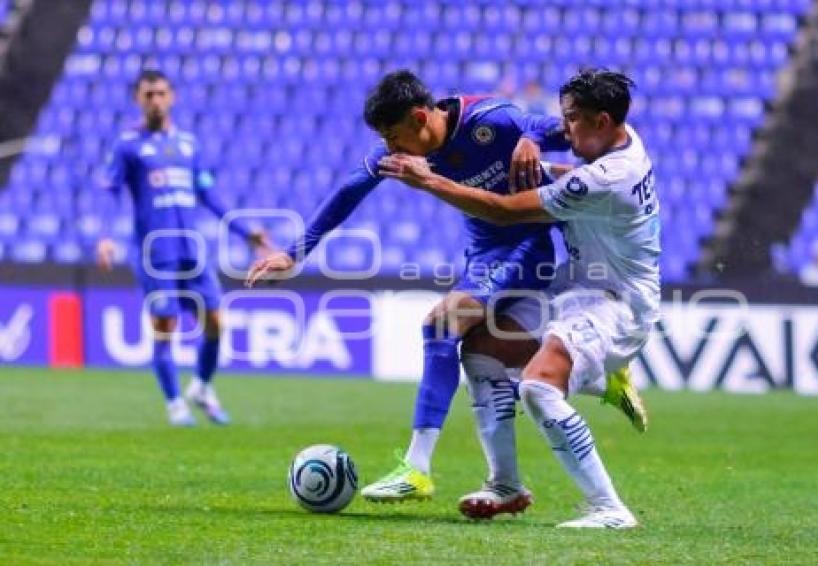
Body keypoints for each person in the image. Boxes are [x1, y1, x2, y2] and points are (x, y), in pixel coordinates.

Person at [247, 70, 645, 503]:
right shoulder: (403, 149)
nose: (392, 148)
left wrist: (531, 137)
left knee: (441, 324)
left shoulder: (491, 120)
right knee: (483, 351)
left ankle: (417, 469)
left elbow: (561, 129)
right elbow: (349, 191)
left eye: (395, 136)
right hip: (482, 254)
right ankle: (597, 383)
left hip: (523, 246)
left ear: (420, 116)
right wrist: (294, 253)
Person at [380, 68, 657, 528]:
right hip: (573, 289)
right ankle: (505, 484)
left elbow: (505, 212)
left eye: (571, 120)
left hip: (616, 304)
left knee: (538, 387)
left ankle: (609, 508)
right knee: (482, 352)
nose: (563, 129)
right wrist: (528, 141)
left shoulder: (610, 175)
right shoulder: (619, 142)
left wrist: (429, 181)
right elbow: (564, 170)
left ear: (603, 120)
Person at [97, 69, 270, 426]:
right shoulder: (128, 144)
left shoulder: (189, 145)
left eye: (161, 93)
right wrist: (105, 235)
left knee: (217, 322)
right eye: (148, 94)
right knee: (165, 325)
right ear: (138, 99)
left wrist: (244, 231)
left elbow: (208, 194)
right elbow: (111, 192)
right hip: (155, 252)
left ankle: (202, 387)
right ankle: (175, 403)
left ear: (171, 96)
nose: (156, 100)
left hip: (192, 250)